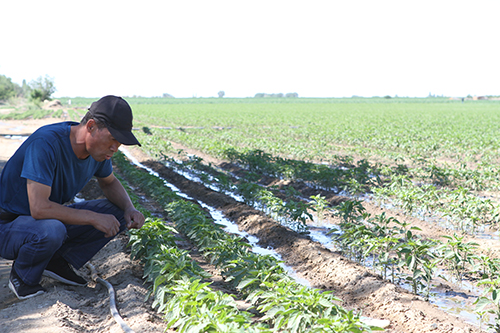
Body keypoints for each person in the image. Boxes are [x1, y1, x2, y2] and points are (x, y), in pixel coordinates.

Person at [0, 95, 145, 300]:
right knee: (52, 230)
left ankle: (54, 261)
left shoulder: (97, 152)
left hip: (37, 223)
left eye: (119, 142)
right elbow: (39, 208)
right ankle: (23, 277)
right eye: (113, 139)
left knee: (117, 212)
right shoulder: (47, 143)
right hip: (8, 225)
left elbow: (109, 182)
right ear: (91, 126)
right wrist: (93, 217)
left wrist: (129, 208)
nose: (116, 148)